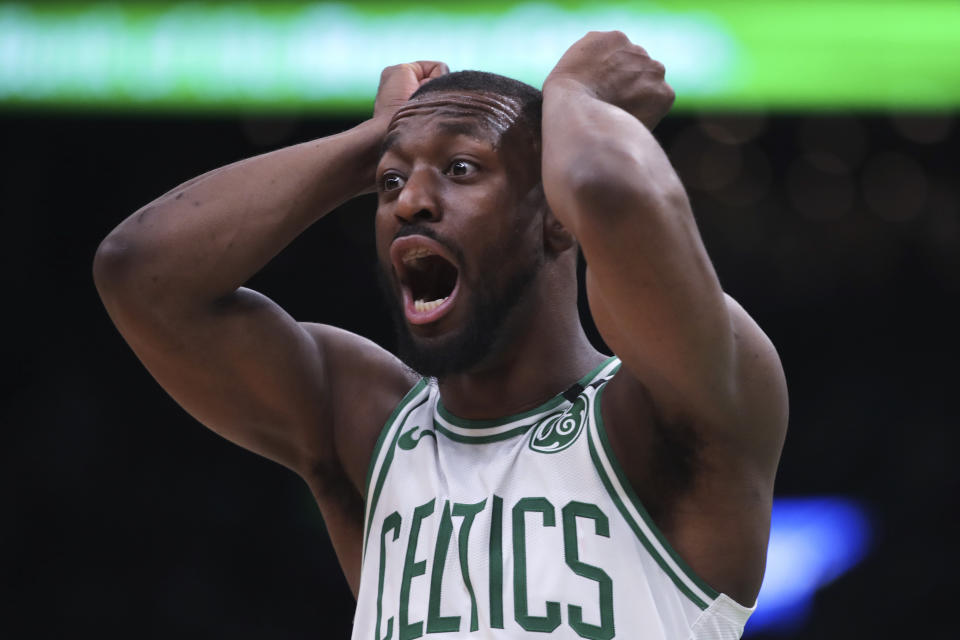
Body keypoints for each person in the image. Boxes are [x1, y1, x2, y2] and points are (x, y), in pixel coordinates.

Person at [94, 31, 787, 640]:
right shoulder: (364, 425)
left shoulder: (662, 409)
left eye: (461, 170)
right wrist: (376, 138)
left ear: (555, 217)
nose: (410, 202)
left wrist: (576, 94)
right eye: (391, 183)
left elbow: (608, 187)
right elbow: (141, 274)